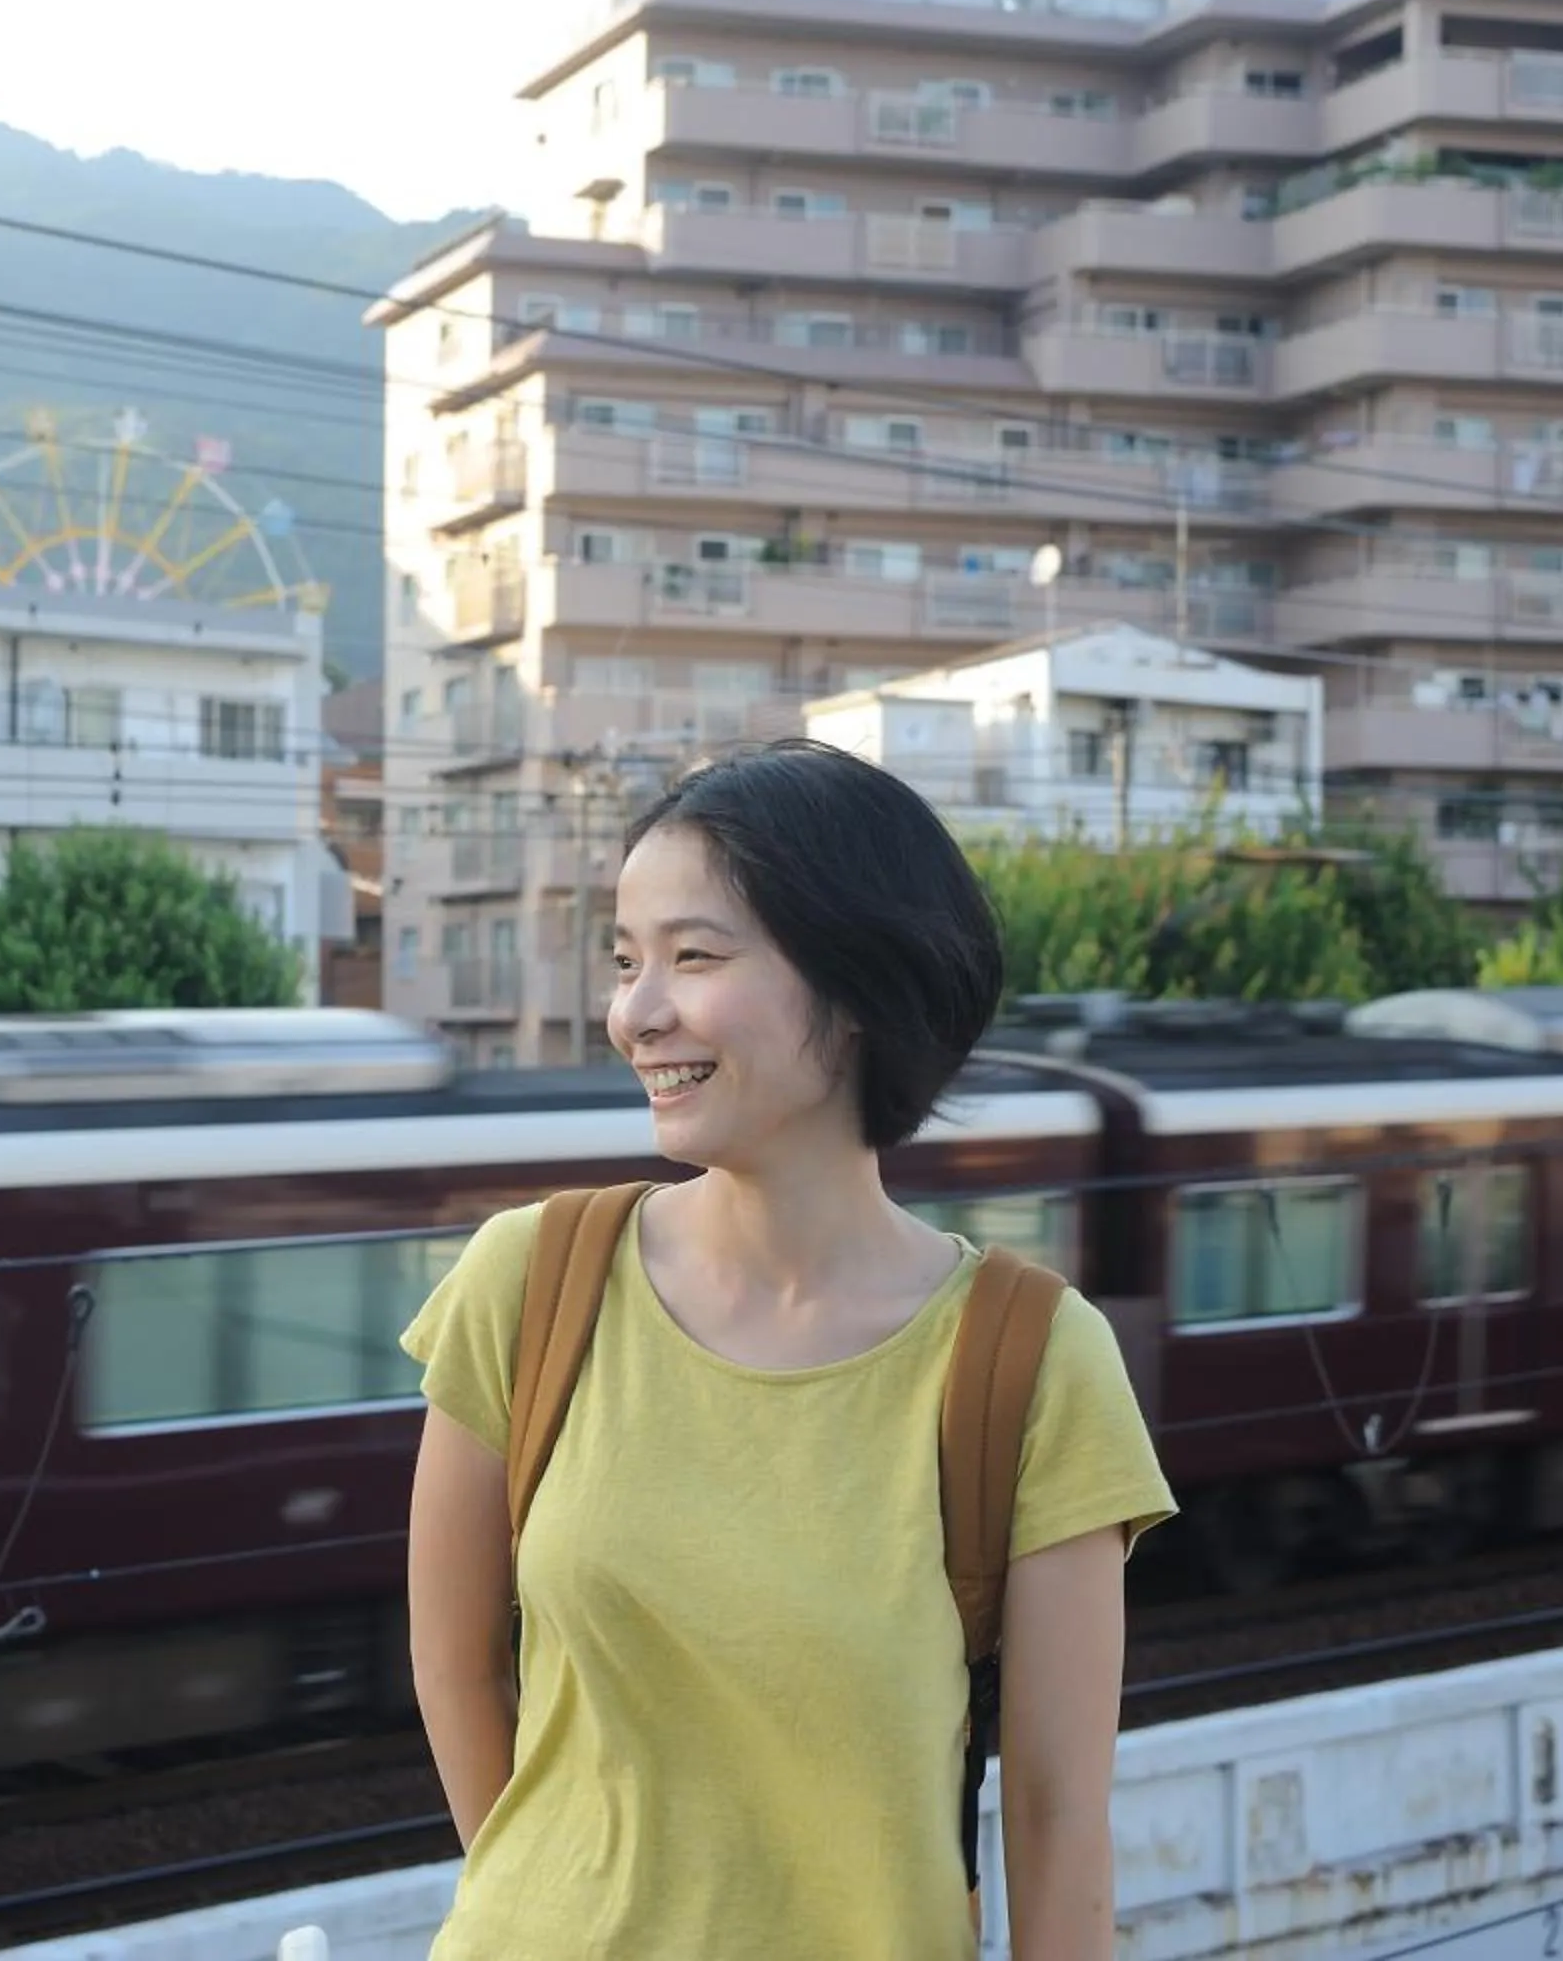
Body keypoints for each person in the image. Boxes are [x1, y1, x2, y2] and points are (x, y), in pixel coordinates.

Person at [399, 738, 1176, 1960]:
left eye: (694, 957)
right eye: (625, 961)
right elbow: (454, 1667)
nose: (636, 1013)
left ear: (859, 987)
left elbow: (1058, 1813)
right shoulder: (529, 1281)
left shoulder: (1028, 1360)